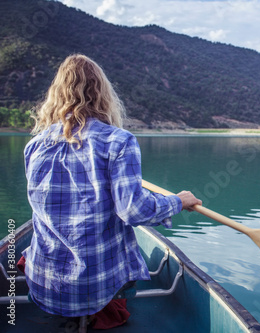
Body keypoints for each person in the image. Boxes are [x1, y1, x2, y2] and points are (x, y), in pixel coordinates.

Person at [23, 54, 201, 323]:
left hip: (44, 286)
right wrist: (177, 201)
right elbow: (133, 211)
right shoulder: (119, 141)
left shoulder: (34, 146)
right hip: (93, 289)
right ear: (102, 93)